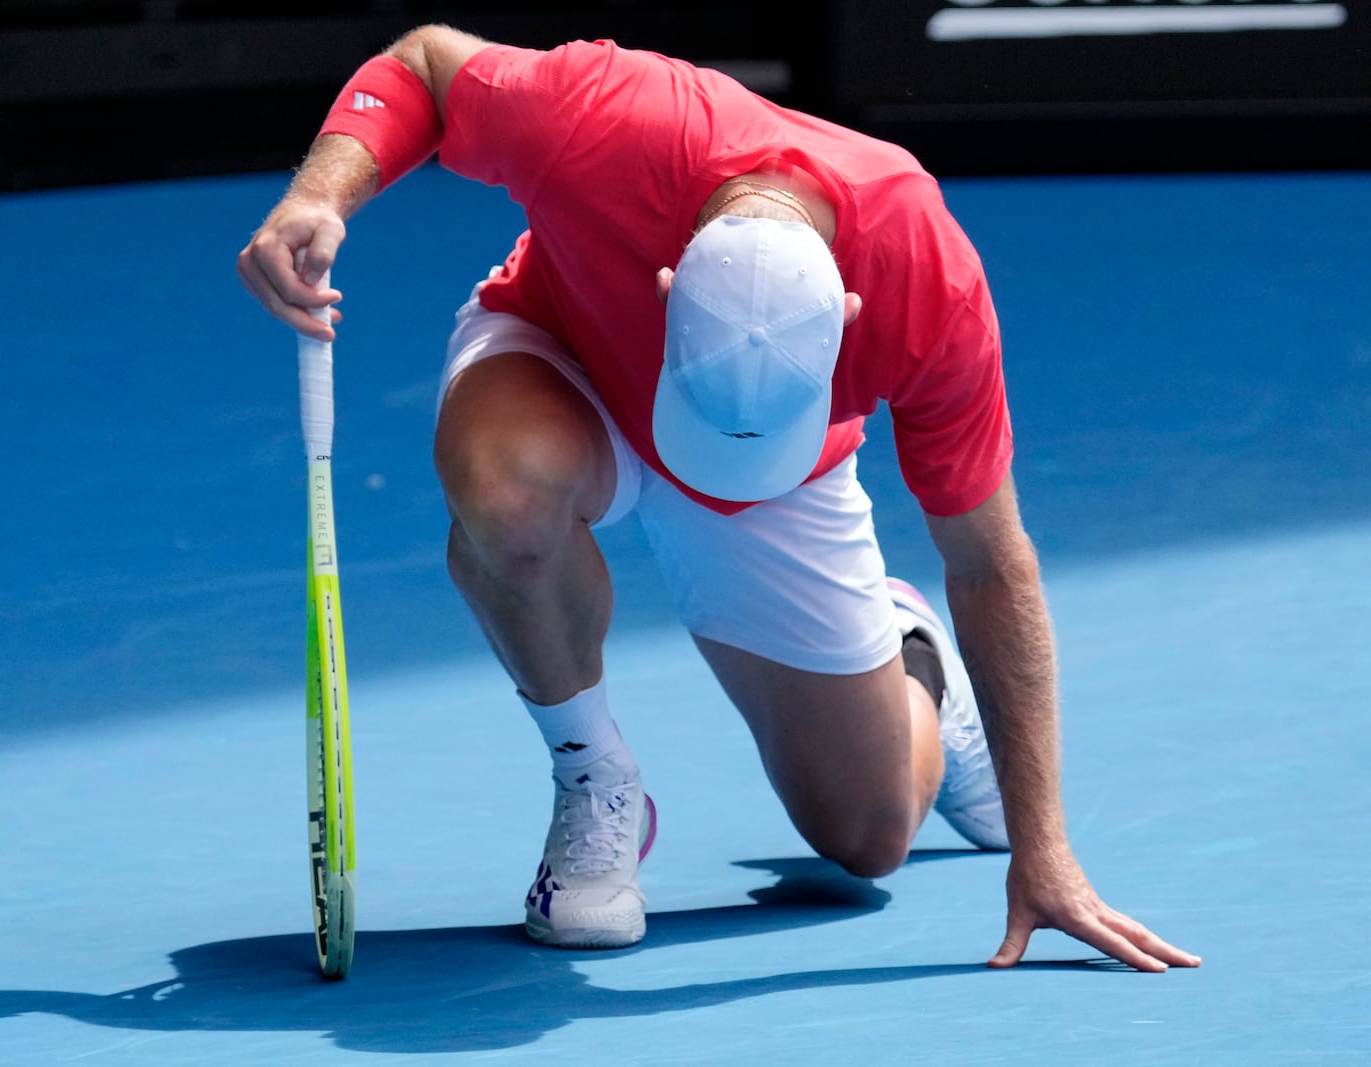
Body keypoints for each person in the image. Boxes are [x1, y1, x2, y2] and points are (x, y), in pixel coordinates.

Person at [237, 24, 1201, 972]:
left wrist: (1046, 851)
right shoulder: (602, 114)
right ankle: (593, 775)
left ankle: (913, 664)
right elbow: (426, 66)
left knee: (867, 839)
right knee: (506, 498)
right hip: (567, 362)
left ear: (847, 318)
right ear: (667, 287)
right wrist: (320, 197)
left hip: (786, 478)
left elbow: (991, 562)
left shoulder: (926, 278)